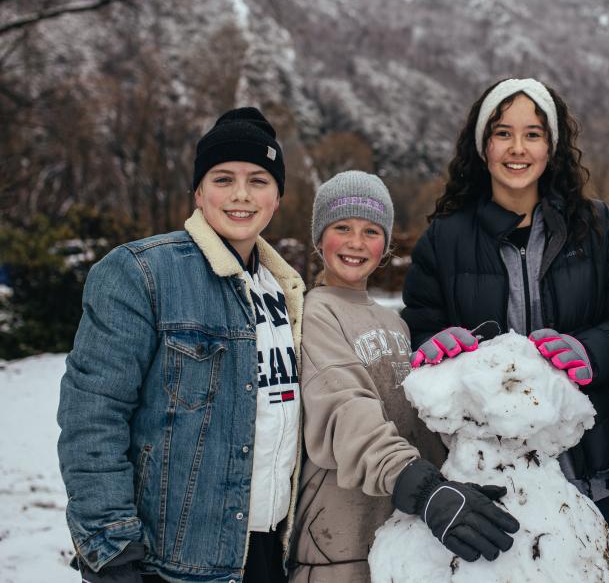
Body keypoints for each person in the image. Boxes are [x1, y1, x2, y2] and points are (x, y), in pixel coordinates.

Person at [57, 107, 304, 583]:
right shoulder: (142, 273)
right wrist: (111, 551)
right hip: (172, 565)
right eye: (222, 178)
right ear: (198, 191)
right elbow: (92, 419)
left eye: (258, 180)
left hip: (270, 553)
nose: (240, 195)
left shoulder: (284, 289)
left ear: (277, 197)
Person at [401, 78, 609, 538]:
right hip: (486, 483)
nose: (517, 148)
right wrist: (431, 346)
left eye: (533, 133)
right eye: (502, 132)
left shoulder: (599, 229)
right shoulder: (444, 240)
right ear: (482, 145)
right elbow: (415, 334)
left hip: (587, 473)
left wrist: (592, 351)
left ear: (553, 146)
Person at [290, 170, 519, 582]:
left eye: (371, 231)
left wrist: (452, 483)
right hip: (337, 546)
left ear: (386, 245)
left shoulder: (393, 323)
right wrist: (423, 488)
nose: (357, 243)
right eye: (342, 228)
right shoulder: (314, 313)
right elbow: (345, 412)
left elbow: (415, 420)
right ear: (318, 237)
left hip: (403, 532)